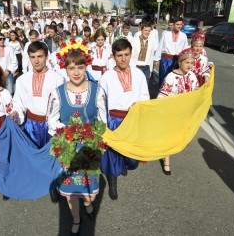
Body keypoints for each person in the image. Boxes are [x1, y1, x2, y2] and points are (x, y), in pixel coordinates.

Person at [47, 47, 106, 235]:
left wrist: (92, 135)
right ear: (65, 70)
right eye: (71, 68)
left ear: (86, 66)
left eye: (80, 67)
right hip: (68, 148)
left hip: (89, 148)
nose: (76, 72)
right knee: (71, 190)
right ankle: (76, 219)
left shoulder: (97, 90)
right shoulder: (57, 92)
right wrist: (67, 132)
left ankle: (88, 204)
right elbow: (51, 120)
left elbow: (103, 120)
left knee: (88, 189)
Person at [99, 39, 150, 200]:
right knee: (112, 154)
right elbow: (100, 101)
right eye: (119, 55)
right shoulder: (107, 77)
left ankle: (125, 164)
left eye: (126, 54)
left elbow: (144, 95)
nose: (123, 58)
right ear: (113, 56)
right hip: (113, 119)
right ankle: (113, 183)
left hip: (132, 120)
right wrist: (103, 125)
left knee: (132, 158)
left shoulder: (138, 74)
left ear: (131, 53)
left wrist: (140, 103)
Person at [11, 41, 64, 149]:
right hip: (31, 126)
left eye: (40, 56)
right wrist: (16, 112)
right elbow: (18, 101)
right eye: (32, 57)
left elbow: (62, 104)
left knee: (52, 155)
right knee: (33, 155)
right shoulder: (22, 79)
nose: (36, 61)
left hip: (51, 125)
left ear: (46, 56)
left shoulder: (58, 79)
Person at [157, 48, 199, 175]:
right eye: (187, 63)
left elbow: (196, 92)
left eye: (192, 63)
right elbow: (162, 97)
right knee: (169, 138)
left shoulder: (192, 76)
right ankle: (166, 161)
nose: (190, 66)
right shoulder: (171, 77)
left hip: (185, 114)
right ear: (180, 62)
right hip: (172, 114)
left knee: (179, 138)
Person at [155, 17, 188, 88]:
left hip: (177, 60)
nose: (179, 26)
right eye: (177, 24)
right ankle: (161, 95)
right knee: (164, 78)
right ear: (173, 25)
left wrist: (185, 60)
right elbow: (160, 46)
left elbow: (185, 49)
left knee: (175, 79)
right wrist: (156, 59)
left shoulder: (183, 36)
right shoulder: (165, 34)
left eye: (180, 24)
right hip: (166, 60)